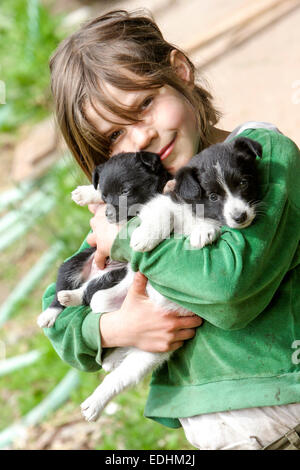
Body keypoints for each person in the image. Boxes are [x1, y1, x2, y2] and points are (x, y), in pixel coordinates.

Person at [42, 10, 300, 450]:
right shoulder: (134, 204)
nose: (139, 138)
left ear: (180, 71)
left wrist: (123, 240)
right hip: (209, 431)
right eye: (113, 136)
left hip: (284, 410)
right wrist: (114, 330)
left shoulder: (262, 157)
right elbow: (59, 314)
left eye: (143, 104)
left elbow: (229, 289)